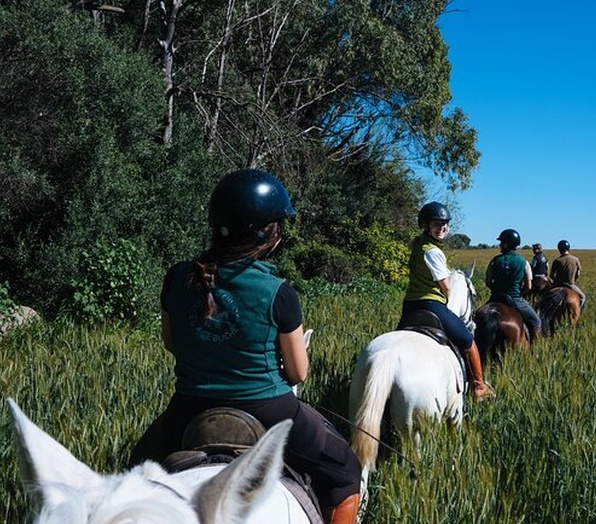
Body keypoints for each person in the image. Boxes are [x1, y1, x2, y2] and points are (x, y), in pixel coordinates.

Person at [128, 169, 361, 524]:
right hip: (270, 410)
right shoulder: (279, 292)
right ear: (269, 232)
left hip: (188, 408)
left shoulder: (176, 278)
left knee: (132, 471)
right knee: (344, 471)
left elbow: (171, 343)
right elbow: (298, 372)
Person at [401, 201, 494, 400]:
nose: (442, 227)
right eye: (436, 224)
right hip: (431, 305)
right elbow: (446, 286)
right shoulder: (433, 251)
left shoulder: (418, 246)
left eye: (445, 224)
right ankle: (479, 386)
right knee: (469, 341)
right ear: (426, 226)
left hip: (410, 306)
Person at [485, 229, 543, 342]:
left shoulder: (494, 261)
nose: (500, 245)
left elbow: (488, 281)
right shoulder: (524, 262)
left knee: (475, 319)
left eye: (501, 242)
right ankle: (536, 348)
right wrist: (520, 293)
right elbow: (528, 286)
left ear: (506, 244)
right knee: (536, 322)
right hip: (515, 299)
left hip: (495, 298)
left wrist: (496, 290)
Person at [550, 239, 587, 310]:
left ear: (559, 249)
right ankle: (579, 311)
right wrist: (573, 280)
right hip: (570, 284)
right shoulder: (576, 259)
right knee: (583, 297)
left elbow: (551, 275)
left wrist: (555, 281)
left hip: (558, 284)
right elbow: (578, 274)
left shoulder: (557, 261)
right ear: (568, 248)